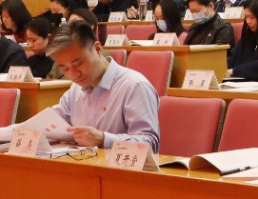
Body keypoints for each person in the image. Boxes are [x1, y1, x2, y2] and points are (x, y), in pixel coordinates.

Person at [21, 21, 161, 149]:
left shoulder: (134, 86)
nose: (73, 74)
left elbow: (150, 142)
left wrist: (104, 139)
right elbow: (48, 122)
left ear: (97, 49)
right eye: (64, 68)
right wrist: (11, 132)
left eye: (78, 63)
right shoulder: (75, 90)